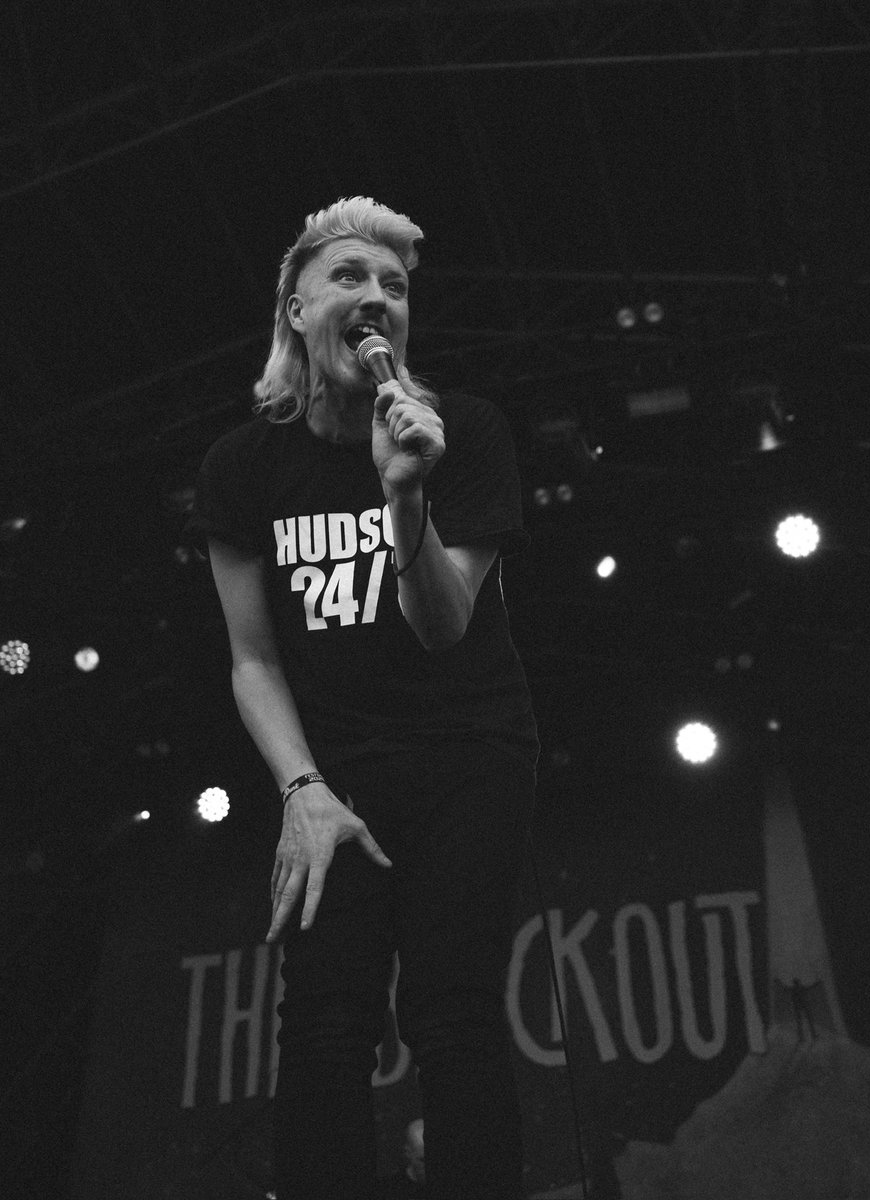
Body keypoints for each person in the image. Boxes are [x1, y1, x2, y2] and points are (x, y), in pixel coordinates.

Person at [188, 197, 539, 1199]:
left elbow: (442, 624)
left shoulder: (460, 432)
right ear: (295, 308)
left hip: (470, 752)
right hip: (333, 775)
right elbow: (251, 659)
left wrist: (404, 498)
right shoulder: (242, 466)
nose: (376, 297)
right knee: (326, 1019)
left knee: (454, 1009)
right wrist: (303, 791)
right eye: (348, 277)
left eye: (395, 286)